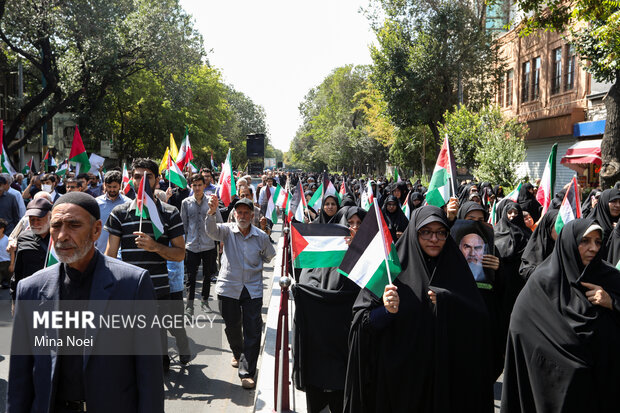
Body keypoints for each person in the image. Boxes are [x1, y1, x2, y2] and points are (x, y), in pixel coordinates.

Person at [7, 192, 165, 413]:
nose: (62, 235)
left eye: (73, 225)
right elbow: (19, 377)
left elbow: (149, 374)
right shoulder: (30, 289)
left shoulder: (132, 285)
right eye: (56, 226)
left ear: (96, 230)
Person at [344, 206, 493, 413]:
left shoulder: (456, 268)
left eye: (441, 232)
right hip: (400, 387)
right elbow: (361, 322)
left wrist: (449, 303)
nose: (434, 239)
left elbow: (480, 323)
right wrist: (387, 311)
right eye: (426, 232)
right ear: (414, 232)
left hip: (446, 385)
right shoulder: (391, 270)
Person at [501, 219, 620, 412]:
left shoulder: (611, 279)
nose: (593, 248)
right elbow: (520, 329)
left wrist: (612, 302)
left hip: (601, 389)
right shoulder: (542, 282)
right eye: (585, 241)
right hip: (550, 385)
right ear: (569, 242)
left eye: (598, 242)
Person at [104, 158, 188, 370]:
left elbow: (180, 254)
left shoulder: (170, 213)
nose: (142, 181)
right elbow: (110, 255)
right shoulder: (119, 213)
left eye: (148, 177)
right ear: (131, 180)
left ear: (157, 180)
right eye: (137, 177)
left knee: (158, 352)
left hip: (158, 290)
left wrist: (155, 247)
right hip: (127, 289)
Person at [205, 195, 276, 389]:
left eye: (246, 213)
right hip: (229, 287)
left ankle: (247, 371)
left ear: (252, 216)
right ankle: (237, 353)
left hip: (252, 289)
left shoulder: (260, 236)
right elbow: (211, 231)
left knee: (252, 330)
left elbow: (270, 256)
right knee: (232, 327)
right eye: (239, 212)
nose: (242, 216)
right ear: (234, 214)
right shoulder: (227, 231)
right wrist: (211, 213)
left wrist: (266, 236)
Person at [181, 174, 220, 316]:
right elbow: (183, 225)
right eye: (194, 185)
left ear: (204, 185)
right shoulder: (185, 203)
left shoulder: (211, 201)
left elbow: (219, 222)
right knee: (190, 278)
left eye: (199, 185)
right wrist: (182, 244)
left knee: (207, 276)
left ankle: (205, 302)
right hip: (191, 246)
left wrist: (220, 242)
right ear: (191, 186)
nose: (197, 188)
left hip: (208, 245)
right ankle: (189, 306)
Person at [9, 198, 52, 301]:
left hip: (55, 295)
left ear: (50, 217)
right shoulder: (23, 238)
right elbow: (18, 271)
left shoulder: (59, 237)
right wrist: (15, 300)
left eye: (39, 219)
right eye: (32, 219)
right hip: (31, 296)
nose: (35, 223)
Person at [519, 209, 559, 281]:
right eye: (558, 225)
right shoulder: (535, 248)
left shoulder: (569, 246)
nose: (562, 228)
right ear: (548, 227)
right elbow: (526, 272)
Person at [95, 170, 130, 252]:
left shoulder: (128, 204)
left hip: (121, 253)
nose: (111, 190)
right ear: (105, 185)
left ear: (120, 185)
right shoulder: (96, 203)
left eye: (114, 187)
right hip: (100, 250)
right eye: (109, 187)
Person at [0, 218, 10, 289]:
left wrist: (12, 264)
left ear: (2, 229)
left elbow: (12, 252)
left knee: (9, 281)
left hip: (6, 263)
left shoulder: (7, 239)